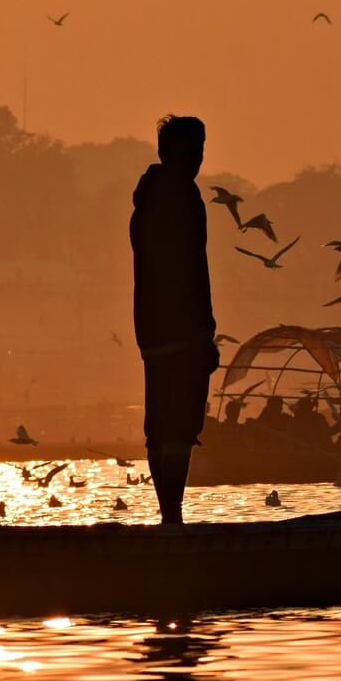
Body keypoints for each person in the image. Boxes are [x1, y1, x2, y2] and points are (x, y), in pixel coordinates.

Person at [130, 115, 218, 525]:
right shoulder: (183, 197)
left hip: (150, 330)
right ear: (176, 153)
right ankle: (173, 517)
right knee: (180, 425)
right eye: (194, 151)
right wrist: (204, 332)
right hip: (183, 331)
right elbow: (191, 269)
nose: (199, 159)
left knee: (160, 427)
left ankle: (169, 516)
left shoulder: (145, 200)